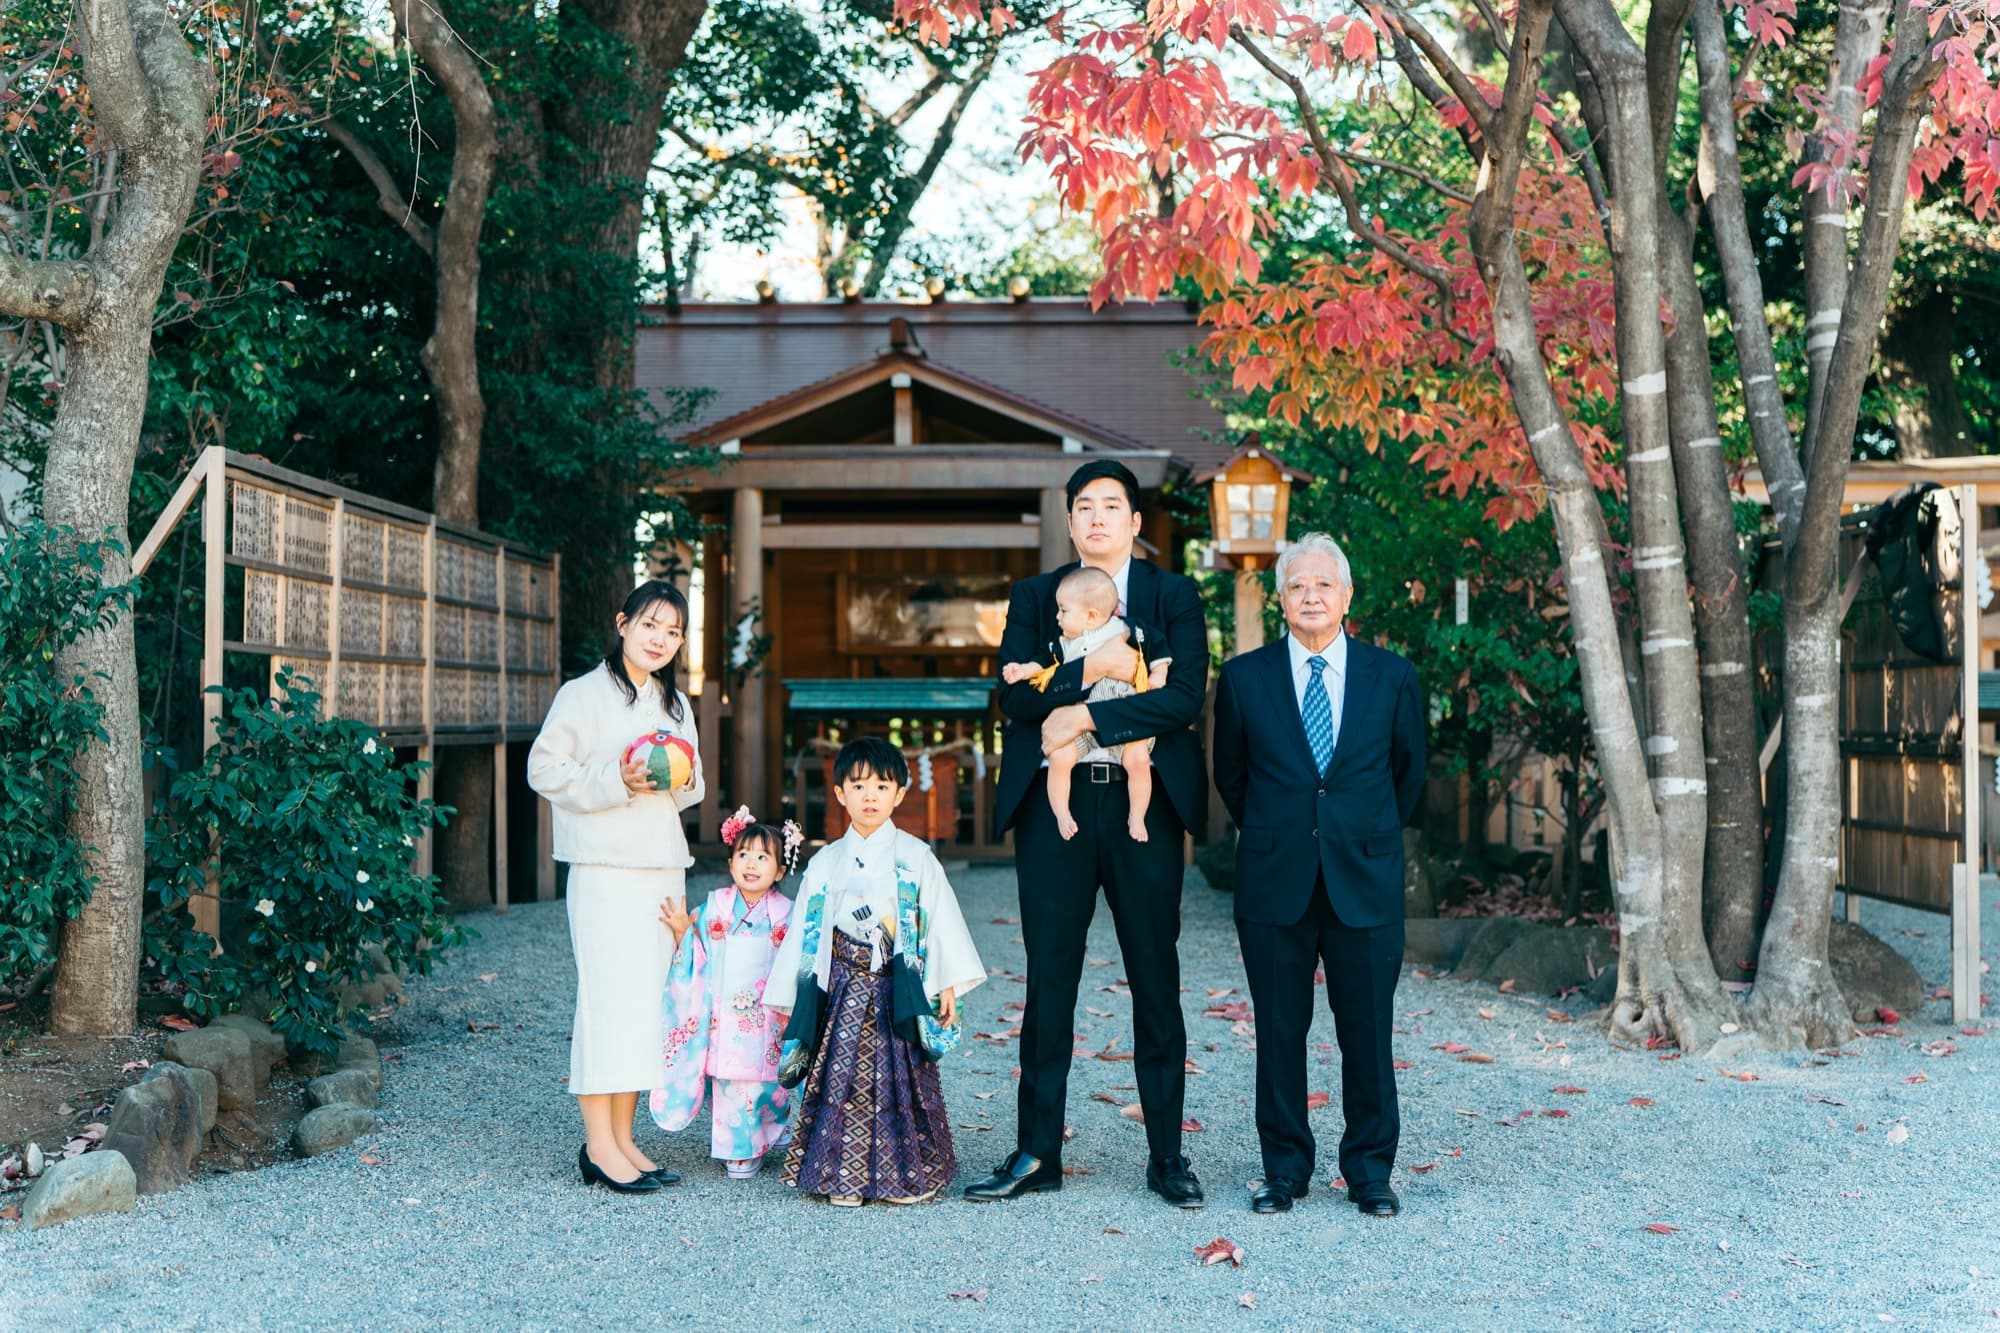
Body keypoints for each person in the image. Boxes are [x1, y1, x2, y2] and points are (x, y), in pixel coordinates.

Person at [967, 459, 1209, 1209]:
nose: (1099, 517)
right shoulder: (1038, 599)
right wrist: (1089, 673)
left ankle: (1167, 1153)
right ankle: (1038, 1151)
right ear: (1070, 523)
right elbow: (1011, 699)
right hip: (1056, 809)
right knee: (1049, 980)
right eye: (1085, 507)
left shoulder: (1173, 595)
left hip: (1142, 806)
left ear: (1137, 522)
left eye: (1114, 505)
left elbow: (1183, 696)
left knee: (1154, 976)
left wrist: (1085, 715)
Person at [1211, 533, 1426, 1218]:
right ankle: (1284, 1170)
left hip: (1365, 875)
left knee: (1367, 1030)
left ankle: (1369, 1170)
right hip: (1276, 878)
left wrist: (1355, 830)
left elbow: (1408, 776)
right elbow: (1233, 778)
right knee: (1279, 1029)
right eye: (1298, 585)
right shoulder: (1245, 679)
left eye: (1323, 585)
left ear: (1347, 596)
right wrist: (1285, 832)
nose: (1311, 595)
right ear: (1281, 599)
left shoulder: (1391, 677)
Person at [527, 579, 704, 1195]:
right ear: (622, 623)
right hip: (602, 870)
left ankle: (626, 1139)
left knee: (644, 1006)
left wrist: (670, 773)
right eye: (651, 625)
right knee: (606, 1003)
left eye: (673, 631)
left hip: (660, 866)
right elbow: (543, 767)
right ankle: (598, 1147)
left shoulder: (676, 706)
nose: (660, 639)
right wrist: (617, 778)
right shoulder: (582, 695)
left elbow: (694, 787)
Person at [766, 737, 986, 1206]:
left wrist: (946, 980)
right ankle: (840, 1177)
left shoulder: (917, 856)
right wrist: (796, 998)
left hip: (896, 984)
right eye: (859, 785)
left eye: (882, 785)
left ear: (900, 794)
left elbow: (940, 918)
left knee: (898, 1080)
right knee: (841, 1078)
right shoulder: (826, 862)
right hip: (844, 982)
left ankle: (907, 1178)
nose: (870, 796)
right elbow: (808, 932)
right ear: (840, 792)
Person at [650, 808, 801, 1179]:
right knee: (734, 1083)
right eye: (743, 855)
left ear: (780, 871)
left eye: (763, 857)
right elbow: (695, 954)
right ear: (731, 862)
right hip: (724, 1015)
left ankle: (770, 1130)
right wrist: (686, 930)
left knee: (769, 1081)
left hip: (768, 1015)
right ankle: (739, 1150)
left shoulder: (788, 915)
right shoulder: (715, 907)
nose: (751, 864)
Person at [1000, 565, 1170, 842]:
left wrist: (1158, 673)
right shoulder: (1065, 644)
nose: (1057, 617)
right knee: (1059, 757)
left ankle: (1137, 815)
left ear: (1091, 616)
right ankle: (1062, 813)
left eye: (1063, 611)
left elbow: (1159, 649)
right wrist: (1023, 670)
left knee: (1138, 760)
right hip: (1078, 724)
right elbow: (1043, 662)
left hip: (1125, 718)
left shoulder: (1129, 630)